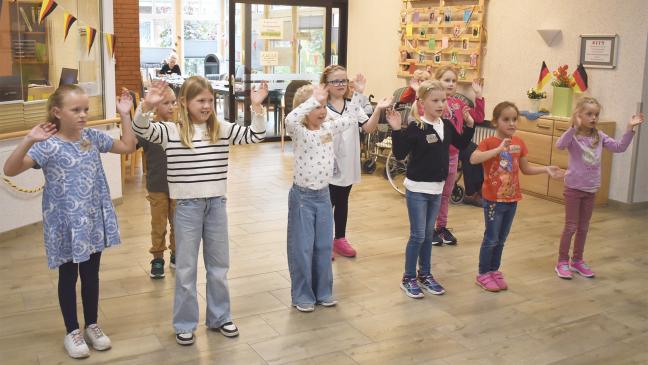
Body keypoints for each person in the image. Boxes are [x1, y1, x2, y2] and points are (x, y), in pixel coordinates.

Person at [3, 86, 137, 359]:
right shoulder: (47, 144)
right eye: (76, 110)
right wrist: (29, 139)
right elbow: (10, 169)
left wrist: (124, 115)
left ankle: (92, 325)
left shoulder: (92, 137)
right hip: (64, 222)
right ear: (57, 112)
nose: (83, 115)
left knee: (91, 275)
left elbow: (127, 146)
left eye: (86, 109)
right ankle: (72, 331)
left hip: (91, 219)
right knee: (68, 276)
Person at [133, 76, 267, 345]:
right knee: (185, 269)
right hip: (186, 208)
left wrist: (257, 108)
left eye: (210, 100)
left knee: (218, 266)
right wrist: (146, 106)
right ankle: (184, 323)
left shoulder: (222, 129)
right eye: (200, 100)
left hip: (216, 205)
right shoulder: (170, 131)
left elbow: (256, 135)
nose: (206, 106)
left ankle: (220, 316)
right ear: (184, 102)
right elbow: (141, 130)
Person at [387, 80, 475, 299]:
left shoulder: (445, 125)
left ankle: (424, 274)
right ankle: (408, 277)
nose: (440, 104)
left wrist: (470, 125)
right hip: (417, 189)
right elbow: (399, 154)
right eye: (435, 100)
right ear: (422, 102)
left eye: (443, 100)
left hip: (437, 189)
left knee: (427, 235)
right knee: (417, 235)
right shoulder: (417, 127)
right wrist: (397, 129)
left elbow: (462, 144)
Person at [470, 101, 564, 292]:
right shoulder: (489, 142)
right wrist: (497, 150)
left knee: (502, 239)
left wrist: (546, 169)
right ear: (496, 122)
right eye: (506, 120)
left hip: (512, 200)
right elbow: (473, 158)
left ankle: (494, 270)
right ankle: (483, 273)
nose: (512, 123)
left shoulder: (519, 143)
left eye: (514, 119)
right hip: (493, 200)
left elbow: (526, 169)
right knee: (491, 238)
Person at [284, 84, 358, 312]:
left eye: (324, 106)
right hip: (303, 198)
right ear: (305, 108)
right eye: (317, 106)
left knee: (324, 247)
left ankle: (323, 291)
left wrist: (356, 96)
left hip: (324, 196)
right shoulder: (299, 130)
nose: (322, 111)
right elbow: (290, 119)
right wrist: (310, 101)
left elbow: (351, 119)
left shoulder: (327, 128)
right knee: (302, 247)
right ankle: (302, 294)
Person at [554, 97, 644, 279]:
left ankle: (577, 261)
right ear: (579, 115)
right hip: (573, 187)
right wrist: (572, 127)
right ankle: (562, 262)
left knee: (584, 227)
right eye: (589, 114)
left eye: (596, 114)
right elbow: (559, 146)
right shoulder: (573, 136)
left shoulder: (599, 136)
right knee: (571, 226)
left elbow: (619, 147)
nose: (594, 117)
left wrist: (629, 128)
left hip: (591, 188)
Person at [321, 65, 390, 258]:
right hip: (328, 164)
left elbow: (367, 128)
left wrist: (377, 109)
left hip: (349, 163)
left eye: (344, 80)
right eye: (335, 81)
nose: (341, 84)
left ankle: (339, 239)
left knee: (343, 200)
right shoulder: (321, 107)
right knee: (327, 204)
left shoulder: (353, 105)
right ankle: (323, 242)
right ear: (326, 84)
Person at [433, 65, 485, 245]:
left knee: (446, 194)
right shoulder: (432, 101)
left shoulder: (458, 103)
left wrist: (478, 96)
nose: (451, 84)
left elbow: (477, 117)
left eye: (454, 81)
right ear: (437, 81)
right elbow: (420, 113)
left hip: (453, 155)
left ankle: (441, 227)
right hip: (435, 156)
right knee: (434, 195)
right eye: (446, 80)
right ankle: (429, 229)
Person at [136, 85, 177, 279]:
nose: (171, 107)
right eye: (166, 103)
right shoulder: (149, 129)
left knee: (179, 223)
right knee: (158, 224)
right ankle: (158, 257)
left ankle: (177, 253)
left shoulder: (180, 128)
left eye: (173, 103)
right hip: (157, 187)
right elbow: (133, 140)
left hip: (179, 187)